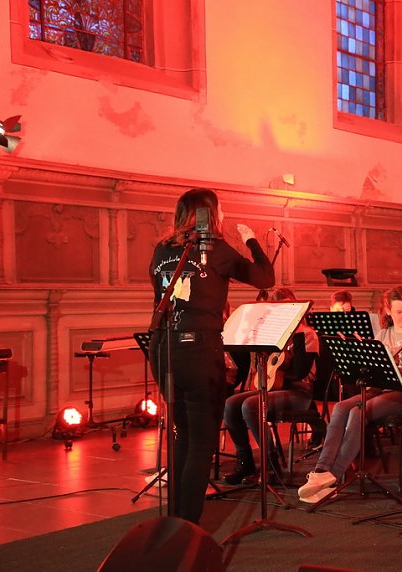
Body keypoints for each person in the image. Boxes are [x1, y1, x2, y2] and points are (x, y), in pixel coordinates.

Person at [148, 188, 275, 523]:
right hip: (200, 350)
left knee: (183, 438)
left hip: (164, 349)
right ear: (209, 213)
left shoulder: (163, 248)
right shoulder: (214, 248)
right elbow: (265, 278)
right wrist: (250, 240)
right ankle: (187, 527)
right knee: (202, 442)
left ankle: (175, 521)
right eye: (220, 210)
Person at [297, 286, 402, 503]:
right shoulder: (383, 335)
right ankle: (322, 470)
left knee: (358, 412)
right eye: (399, 312)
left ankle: (335, 476)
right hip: (380, 390)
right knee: (342, 407)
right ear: (388, 311)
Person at [222, 288, 326, 485]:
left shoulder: (307, 335)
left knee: (250, 405)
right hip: (273, 389)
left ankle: (271, 464)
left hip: (299, 392)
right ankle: (245, 462)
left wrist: (290, 345)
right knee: (230, 404)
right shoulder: (272, 334)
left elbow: (301, 372)